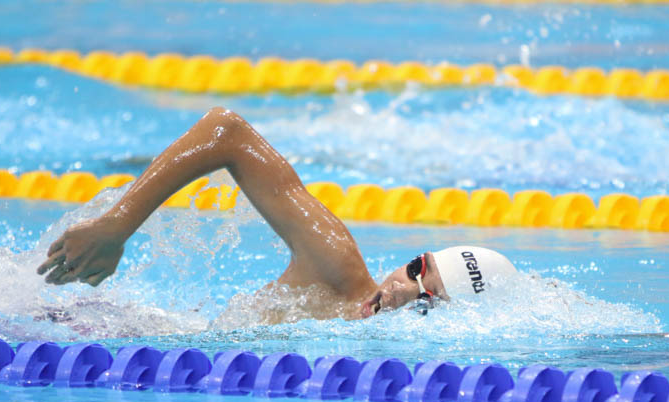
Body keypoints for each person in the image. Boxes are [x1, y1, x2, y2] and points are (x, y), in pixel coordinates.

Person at [37, 107, 517, 321]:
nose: (399, 288)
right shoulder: (336, 271)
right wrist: (117, 226)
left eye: (428, 296)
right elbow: (226, 132)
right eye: (416, 268)